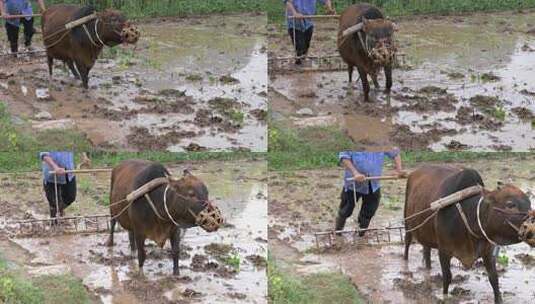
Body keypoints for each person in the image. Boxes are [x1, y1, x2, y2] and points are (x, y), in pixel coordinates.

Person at [335, 148, 406, 236]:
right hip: (353, 184)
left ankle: (361, 234)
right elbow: (344, 157)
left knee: (369, 211)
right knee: (346, 209)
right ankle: (338, 232)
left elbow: (395, 153)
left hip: (373, 184)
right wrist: (355, 173)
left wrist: (399, 170)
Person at [284, 0, 334, 65]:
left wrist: (329, 8)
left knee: (306, 44)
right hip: (294, 22)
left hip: (308, 21)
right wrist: (295, 13)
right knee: (299, 45)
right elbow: (288, 2)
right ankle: (298, 62)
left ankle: (303, 61)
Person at [40, 151, 76, 219]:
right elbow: (44, 155)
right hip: (52, 175)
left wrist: (84, 156)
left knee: (70, 197)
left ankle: (58, 210)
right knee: (53, 202)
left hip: (68, 172)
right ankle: (54, 221)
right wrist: (55, 167)